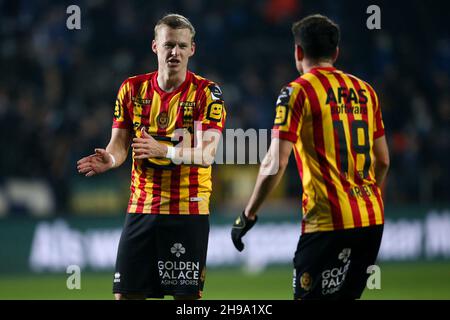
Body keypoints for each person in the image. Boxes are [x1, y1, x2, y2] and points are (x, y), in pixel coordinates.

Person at [231, 14, 389, 300]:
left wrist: (248, 213)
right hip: (371, 221)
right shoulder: (366, 91)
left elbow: (275, 161)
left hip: (327, 222)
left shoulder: (296, 92)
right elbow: (384, 160)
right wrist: (364, 196)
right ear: (336, 52)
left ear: (298, 52)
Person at [77, 13, 226, 300]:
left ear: (192, 49)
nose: (176, 52)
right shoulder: (131, 89)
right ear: (155, 47)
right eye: (169, 45)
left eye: (183, 46)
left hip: (188, 210)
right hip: (142, 208)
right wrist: (111, 158)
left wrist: (164, 150)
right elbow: (119, 144)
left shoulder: (208, 94)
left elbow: (208, 154)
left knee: (186, 301)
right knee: (125, 295)